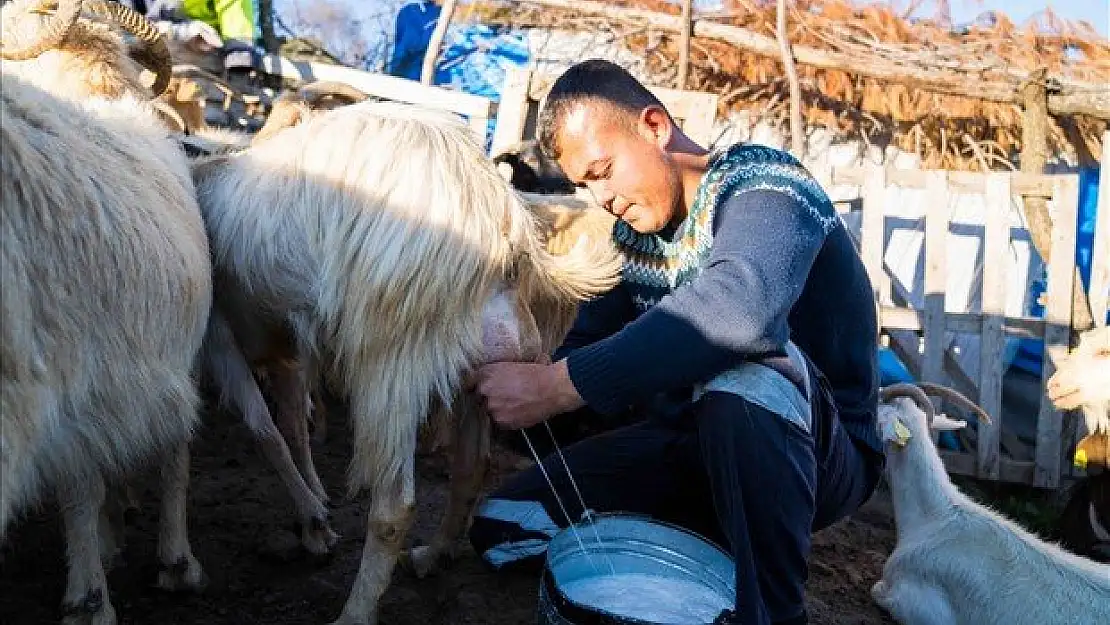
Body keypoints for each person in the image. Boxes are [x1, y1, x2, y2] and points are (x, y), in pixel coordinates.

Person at [468, 59, 885, 625]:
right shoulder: (632, 239)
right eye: (586, 186)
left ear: (655, 126)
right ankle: (702, 551)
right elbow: (586, 350)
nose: (603, 198)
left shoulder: (766, 185)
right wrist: (513, 374)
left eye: (604, 170)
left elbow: (741, 311)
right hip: (687, 449)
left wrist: (555, 387)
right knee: (505, 523)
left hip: (818, 458)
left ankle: (773, 613)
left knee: (746, 365)